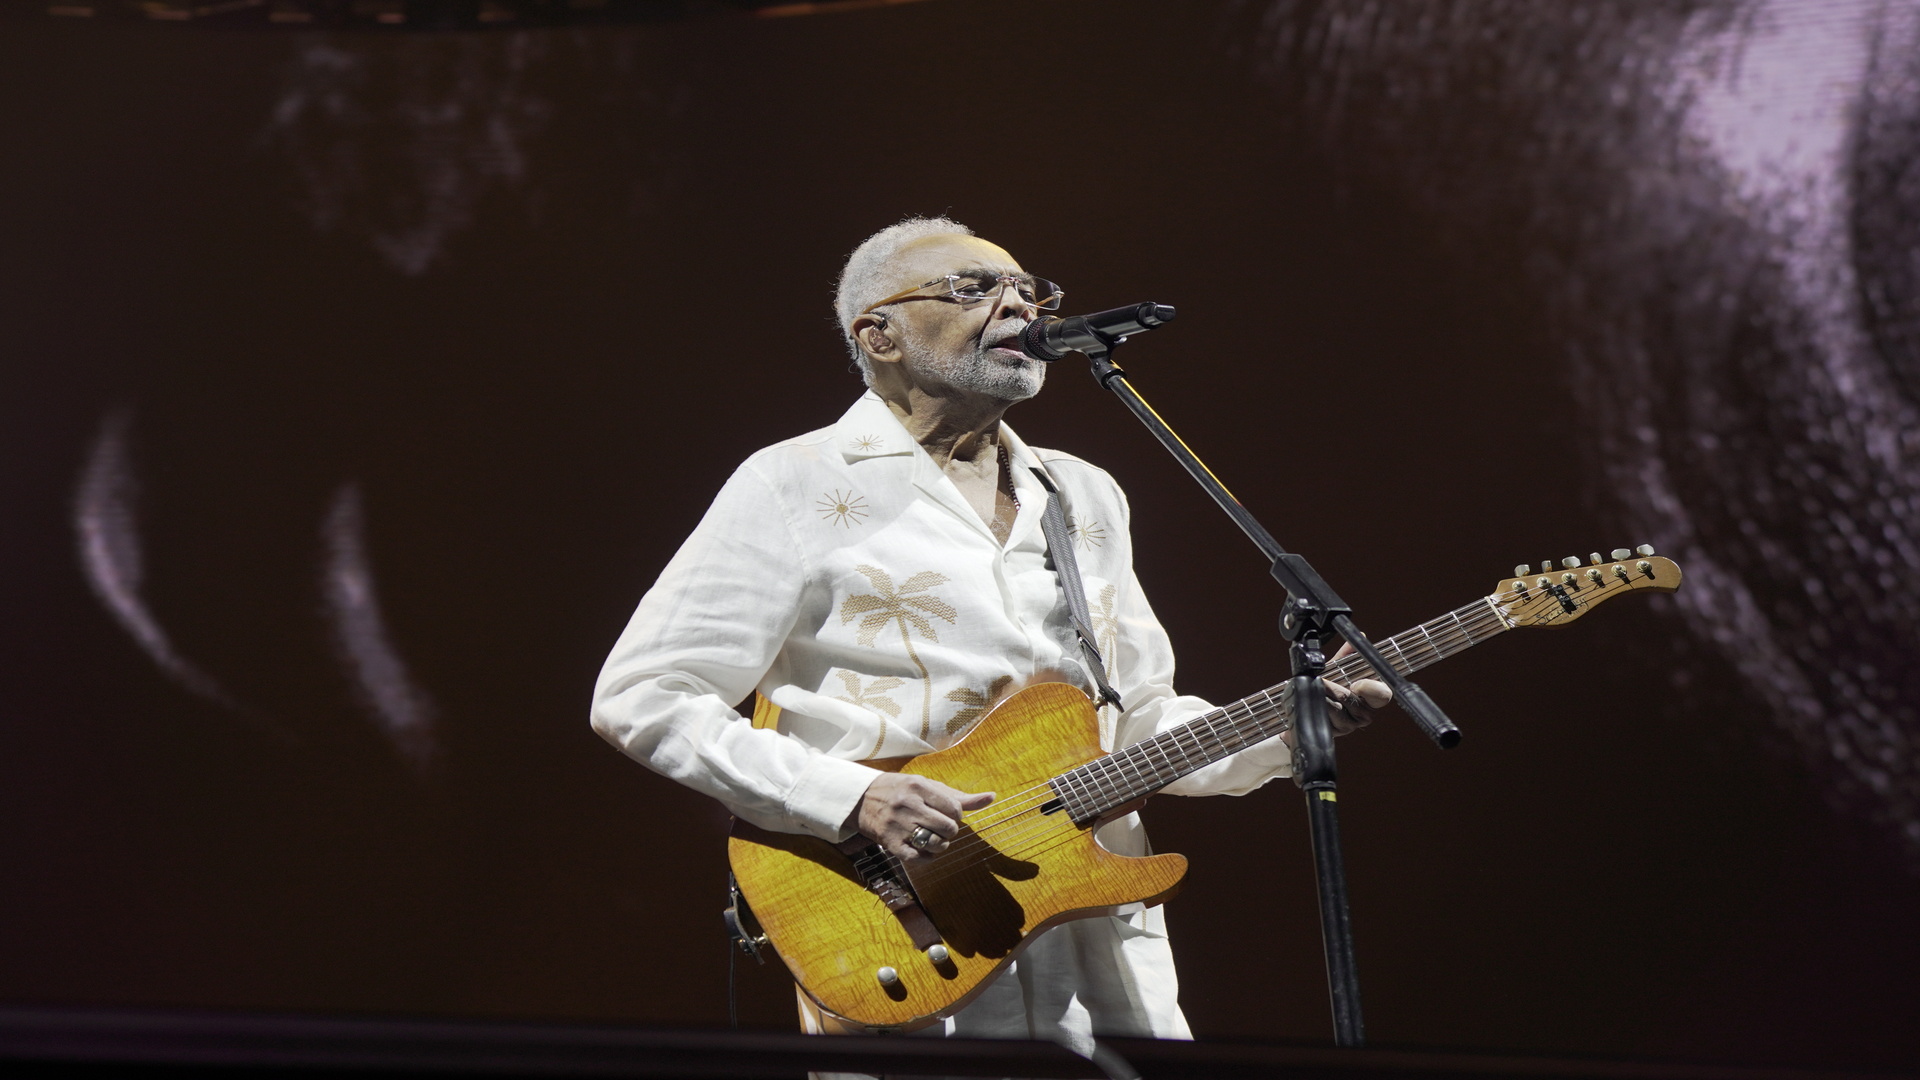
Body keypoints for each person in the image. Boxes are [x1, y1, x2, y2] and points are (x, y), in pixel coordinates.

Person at [590, 217, 1389, 1056]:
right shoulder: (794, 483)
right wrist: (850, 798)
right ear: (879, 334)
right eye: (974, 288)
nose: (1019, 304)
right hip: (903, 927)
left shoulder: (1083, 495)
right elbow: (645, 696)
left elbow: (1137, 719)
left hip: (1098, 947)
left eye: (1031, 289)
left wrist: (1294, 721)